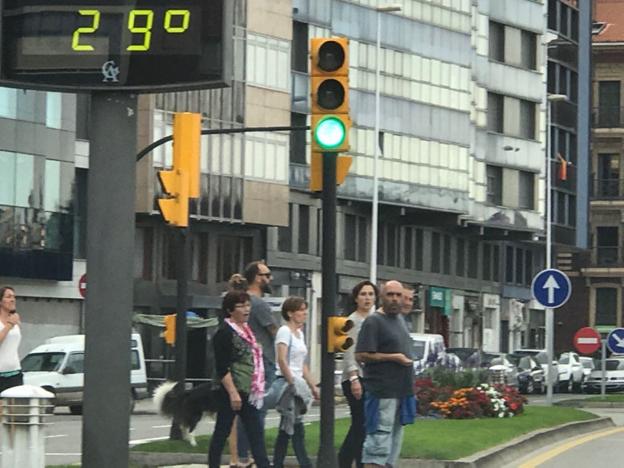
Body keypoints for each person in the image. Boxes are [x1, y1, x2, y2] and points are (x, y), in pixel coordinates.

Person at [355, 280, 416, 468]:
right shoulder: (373, 321)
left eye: (399, 295)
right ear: (382, 297)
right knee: (378, 444)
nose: (395, 299)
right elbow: (361, 354)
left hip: (402, 391)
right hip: (382, 391)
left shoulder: (399, 320)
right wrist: (394, 357)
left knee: (393, 446)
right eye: (390, 295)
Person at [208, 291, 270, 468]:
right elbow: (222, 367)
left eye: (248, 305)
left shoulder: (247, 332)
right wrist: (233, 393)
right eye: (241, 306)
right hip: (230, 391)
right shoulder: (224, 333)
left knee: (256, 433)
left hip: (248, 391)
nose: (246, 309)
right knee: (222, 431)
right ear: (230, 310)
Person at [268, 296, 319, 468]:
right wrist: (292, 383)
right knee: (295, 426)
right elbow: (281, 359)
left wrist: (312, 385)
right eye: (301, 309)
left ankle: (278, 463)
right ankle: (305, 464)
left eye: (305, 309)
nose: (304, 313)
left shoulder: (299, 333)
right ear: (290, 313)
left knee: (287, 427)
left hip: (298, 383)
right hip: (287, 383)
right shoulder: (284, 331)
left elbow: (301, 364)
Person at [236, 260, 278, 467]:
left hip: (247, 362)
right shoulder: (259, 304)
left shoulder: (241, 301)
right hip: (263, 362)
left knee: (247, 410)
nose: (270, 279)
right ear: (256, 278)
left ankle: (244, 455)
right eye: (266, 275)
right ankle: (255, 455)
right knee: (257, 410)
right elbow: (274, 331)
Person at [338, 280, 378, 468]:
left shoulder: (375, 319)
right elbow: (348, 351)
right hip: (355, 378)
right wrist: (354, 378)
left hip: (371, 378)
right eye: (363, 294)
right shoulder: (351, 321)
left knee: (365, 424)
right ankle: (345, 460)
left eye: (370, 294)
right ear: (356, 298)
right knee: (360, 422)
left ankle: (356, 461)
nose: (367, 298)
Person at [0, 286, 22, 394]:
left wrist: (13, 322)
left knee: (14, 410)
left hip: (15, 373)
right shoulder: (11, 322)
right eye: (8, 297)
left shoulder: (15, 320)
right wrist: (9, 325)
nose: (12, 299)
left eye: (14, 297)